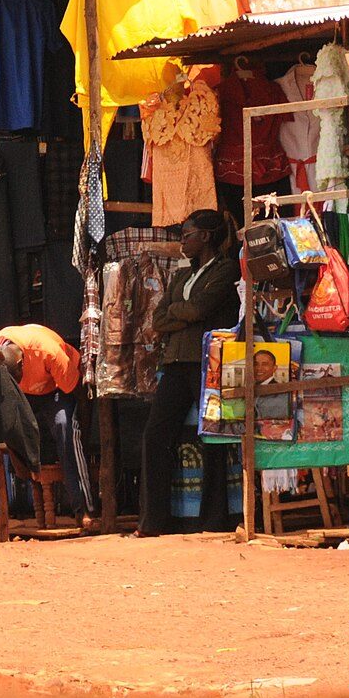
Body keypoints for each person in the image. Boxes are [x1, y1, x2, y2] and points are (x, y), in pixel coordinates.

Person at [140, 209, 242, 536]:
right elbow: (159, 320)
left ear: (206, 236)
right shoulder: (183, 275)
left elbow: (200, 308)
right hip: (175, 363)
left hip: (208, 362)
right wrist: (183, 314)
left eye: (187, 235)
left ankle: (214, 519)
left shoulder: (226, 270)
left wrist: (180, 312)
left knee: (212, 438)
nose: (182, 241)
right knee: (156, 434)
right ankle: (155, 520)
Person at [0, 322, 92, 520]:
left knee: (65, 425)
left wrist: (83, 434)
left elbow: (77, 392)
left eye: (15, 379)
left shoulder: (47, 351)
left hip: (56, 387)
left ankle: (83, 508)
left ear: (21, 365)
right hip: (26, 395)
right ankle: (27, 477)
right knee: (6, 424)